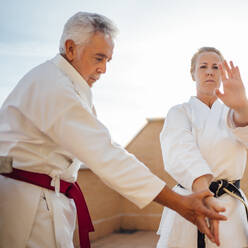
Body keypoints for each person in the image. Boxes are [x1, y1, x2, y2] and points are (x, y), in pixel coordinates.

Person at [0, 13, 226, 248]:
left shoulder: (65, 84)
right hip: (27, 208)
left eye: (108, 60)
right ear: (70, 48)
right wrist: (179, 202)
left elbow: (104, 144)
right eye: (99, 58)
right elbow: (105, 155)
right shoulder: (54, 87)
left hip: (42, 199)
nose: (104, 69)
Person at [156, 47, 248, 248]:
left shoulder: (235, 110)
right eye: (203, 66)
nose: (210, 71)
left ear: (222, 74)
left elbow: (246, 133)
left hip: (230, 205)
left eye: (216, 67)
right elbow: (180, 151)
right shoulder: (179, 112)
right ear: (193, 73)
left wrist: (241, 106)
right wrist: (203, 193)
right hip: (190, 202)